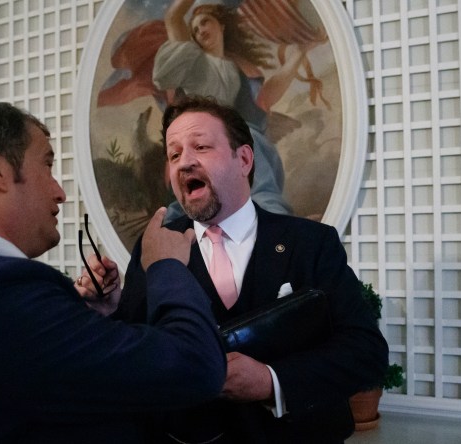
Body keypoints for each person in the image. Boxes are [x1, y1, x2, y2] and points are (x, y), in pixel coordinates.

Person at [0, 101, 226, 443]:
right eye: (47, 165)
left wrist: (93, 318)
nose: (59, 193)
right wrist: (165, 266)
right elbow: (195, 367)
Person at [77, 96, 389, 443]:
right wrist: (111, 309)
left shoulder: (311, 243)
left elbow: (366, 352)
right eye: (174, 154)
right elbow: (139, 352)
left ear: (243, 159)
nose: (184, 163)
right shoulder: (154, 248)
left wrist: (272, 381)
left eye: (201, 146)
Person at [152, 0, 323, 220]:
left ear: (221, 26)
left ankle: (270, 222)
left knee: (247, 145)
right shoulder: (194, 60)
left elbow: (265, 98)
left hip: (227, 148)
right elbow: (174, 18)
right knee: (245, 142)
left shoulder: (235, 68)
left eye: (205, 22)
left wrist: (299, 53)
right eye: (195, 29)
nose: (200, 30)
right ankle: (274, 222)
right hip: (203, 146)